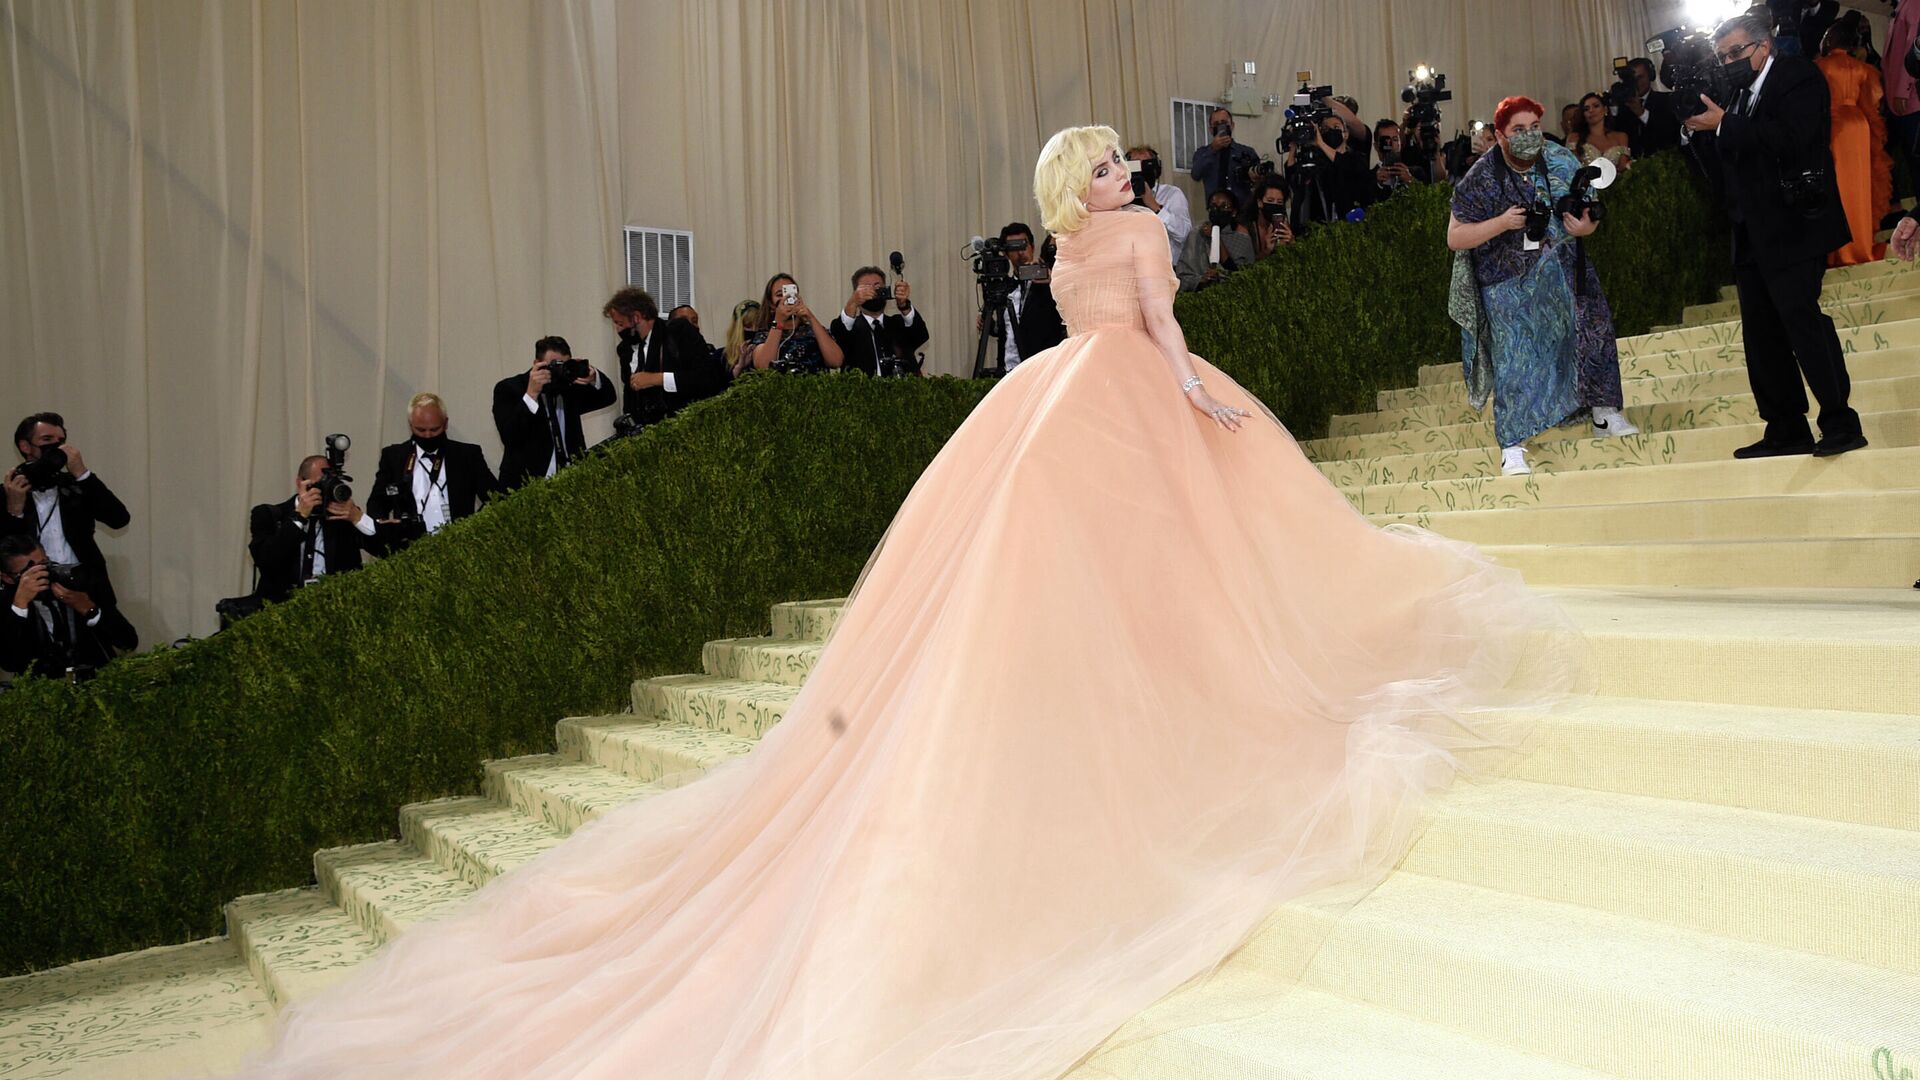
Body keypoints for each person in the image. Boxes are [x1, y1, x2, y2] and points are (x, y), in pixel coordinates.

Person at [228, 122, 1581, 1080]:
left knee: (1085, 577)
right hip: (1127, 404)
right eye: (1107, 161)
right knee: (1198, 562)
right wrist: (1192, 393)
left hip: (1051, 411)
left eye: (1121, 158)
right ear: (1085, 183)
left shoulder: (1059, 254)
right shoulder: (1133, 240)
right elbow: (1164, 328)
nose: (1123, 172)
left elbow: (1076, 325)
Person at [1685, 13, 1865, 458]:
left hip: (1794, 225)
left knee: (1801, 321)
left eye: (1734, 53)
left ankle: (1840, 422)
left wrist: (1725, 125)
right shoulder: (1738, 91)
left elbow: (1798, 139)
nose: (1726, 62)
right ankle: (1785, 428)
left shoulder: (1797, 75)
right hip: (1750, 228)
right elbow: (1733, 154)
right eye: (1721, 55)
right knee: (1761, 334)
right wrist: (1698, 131)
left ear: (1762, 47)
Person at [1447, 95, 1635, 477]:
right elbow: (1455, 236)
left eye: (1534, 127)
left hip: (1565, 266)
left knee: (1592, 331)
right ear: (1500, 135)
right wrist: (1501, 223)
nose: (1529, 135)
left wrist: (1586, 227)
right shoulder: (1481, 177)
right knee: (1517, 360)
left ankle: (1604, 413)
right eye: (1519, 130)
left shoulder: (1561, 159)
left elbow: (1587, 209)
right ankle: (1512, 446)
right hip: (1507, 280)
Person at [2, 412, 131, 608]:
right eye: (47, 439)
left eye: (61, 440)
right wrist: (15, 511)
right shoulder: (7, 492)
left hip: (84, 588)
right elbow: (6, 551)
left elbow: (118, 519)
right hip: (30, 595)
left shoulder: (76, 486)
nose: (57, 446)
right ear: (25, 446)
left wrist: (82, 474)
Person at [366, 392, 501, 551]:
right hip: (410, 549)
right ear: (410, 425)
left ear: (446, 424)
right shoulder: (394, 456)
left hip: (461, 547)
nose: (428, 435)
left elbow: (495, 497)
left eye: (434, 429)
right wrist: (383, 524)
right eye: (421, 430)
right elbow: (377, 501)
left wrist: (473, 528)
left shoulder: (467, 455)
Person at [0, 534, 136, 678]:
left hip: (95, 683)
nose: (41, 575)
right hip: (41, 691)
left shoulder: (76, 582)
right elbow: (10, 663)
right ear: (7, 578)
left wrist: (89, 609)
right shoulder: (7, 603)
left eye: (44, 565)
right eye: (30, 573)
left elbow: (128, 641)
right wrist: (20, 606)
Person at [248, 454, 378, 604]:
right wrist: (299, 517)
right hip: (282, 609)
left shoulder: (343, 518)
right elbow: (266, 560)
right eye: (320, 485)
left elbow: (383, 549)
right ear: (300, 483)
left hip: (333, 607)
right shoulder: (269, 515)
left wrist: (358, 518)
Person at [491, 336, 618, 487]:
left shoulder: (569, 389)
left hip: (570, 483)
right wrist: (531, 395)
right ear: (537, 364)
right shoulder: (510, 388)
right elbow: (510, 435)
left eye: (563, 365)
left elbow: (607, 397)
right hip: (527, 486)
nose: (559, 371)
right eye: (554, 365)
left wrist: (592, 376)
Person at [1816, 18, 1892, 266]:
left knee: (1839, 188)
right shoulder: (1861, 68)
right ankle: (1862, 245)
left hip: (1835, 127)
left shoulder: (1820, 66)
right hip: (1859, 126)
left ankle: (1842, 250)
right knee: (1860, 186)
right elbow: (1873, 104)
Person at [606, 287, 729, 426]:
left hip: (687, 427)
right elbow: (630, 398)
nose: (618, 329)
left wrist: (658, 379)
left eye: (620, 323)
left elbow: (706, 379)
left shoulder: (679, 332)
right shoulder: (625, 349)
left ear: (636, 317)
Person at [979, 221, 1066, 373]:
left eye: (1023, 245)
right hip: (1008, 371)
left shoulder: (1051, 282)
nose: (1020, 253)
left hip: (1043, 369)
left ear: (1032, 246)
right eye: (1014, 248)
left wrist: (1054, 281)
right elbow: (1008, 330)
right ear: (1006, 253)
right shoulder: (1004, 288)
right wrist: (990, 326)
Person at [830, 265, 930, 377]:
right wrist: (852, 303)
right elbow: (840, 333)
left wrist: (904, 305)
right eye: (866, 288)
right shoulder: (850, 327)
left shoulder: (898, 324)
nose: (873, 292)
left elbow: (920, 335)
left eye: (878, 287)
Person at [745, 273, 845, 374]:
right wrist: (779, 321)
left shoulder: (812, 330)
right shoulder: (764, 335)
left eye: (791, 294)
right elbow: (763, 366)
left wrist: (811, 317)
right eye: (780, 295)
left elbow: (836, 361)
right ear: (771, 304)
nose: (786, 299)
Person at [1176, 188, 1256, 291]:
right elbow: (1183, 274)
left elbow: (1244, 276)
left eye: (1224, 207)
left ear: (1234, 212)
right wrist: (1200, 280)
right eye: (1213, 207)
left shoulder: (1241, 239)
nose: (1217, 210)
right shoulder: (1197, 234)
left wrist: (1215, 236)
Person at [1125, 145, 1192, 260]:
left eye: (1146, 165)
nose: (1141, 171)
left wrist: (1155, 206)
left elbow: (1183, 233)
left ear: (1157, 169)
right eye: (1136, 165)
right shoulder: (1121, 197)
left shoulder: (1171, 194)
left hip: (1167, 266)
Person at [1188, 105, 1261, 203]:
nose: (1221, 127)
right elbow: (1195, 175)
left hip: (1243, 210)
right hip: (1216, 209)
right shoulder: (1202, 152)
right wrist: (1213, 149)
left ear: (1232, 126)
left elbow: (1260, 181)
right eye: (1216, 124)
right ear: (1211, 129)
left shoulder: (1247, 152)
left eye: (1224, 123)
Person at [1625, 58, 1683, 155]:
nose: (1637, 83)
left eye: (1640, 77)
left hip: (1663, 163)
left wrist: (1642, 114)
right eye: (1633, 79)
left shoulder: (1667, 100)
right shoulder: (1624, 105)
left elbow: (1669, 134)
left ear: (1650, 76)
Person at [1571, 93, 1634, 170]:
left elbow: (1623, 167)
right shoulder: (1574, 137)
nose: (1591, 110)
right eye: (1586, 109)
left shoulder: (1621, 137)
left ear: (1605, 110)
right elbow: (1572, 169)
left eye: (1596, 106)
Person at [1246, 176, 1293, 259]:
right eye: (1270, 201)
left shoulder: (1282, 224)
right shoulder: (1246, 228)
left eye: (1279, 202)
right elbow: (1245, 268)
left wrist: (1292, 244)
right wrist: (1267, 251)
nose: (1275, 205)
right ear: (1260, 202)